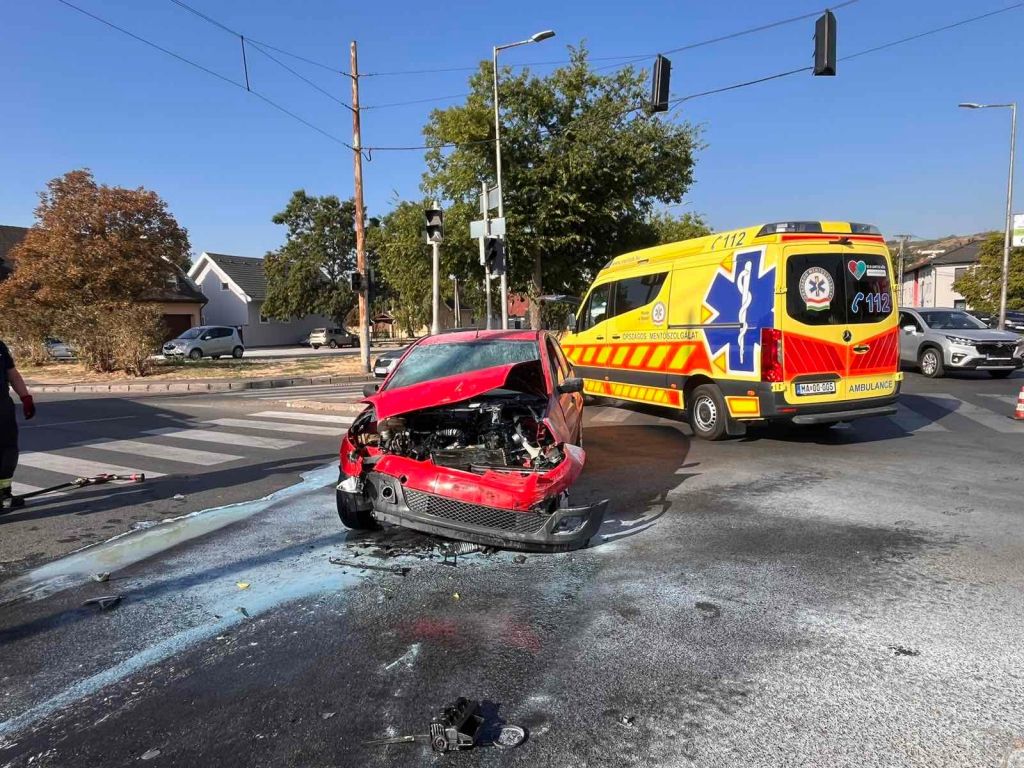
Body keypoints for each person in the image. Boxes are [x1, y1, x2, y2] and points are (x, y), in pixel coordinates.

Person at [1, 339, 35, 512]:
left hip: (2, 406)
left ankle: (4, 493)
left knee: (8, 450)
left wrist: (25, 397)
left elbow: (12, 374)